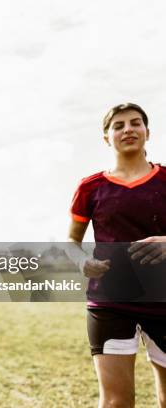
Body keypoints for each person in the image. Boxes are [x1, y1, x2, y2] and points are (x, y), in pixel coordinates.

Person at [67, 103, 166, 407]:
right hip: (110, 303)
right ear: (106, 138)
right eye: (119, 126)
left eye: (135, 123)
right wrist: (83, 261)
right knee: (115, 403)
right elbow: (72, 242)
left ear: (147, 132)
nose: (128, 130)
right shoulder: (90, 187)